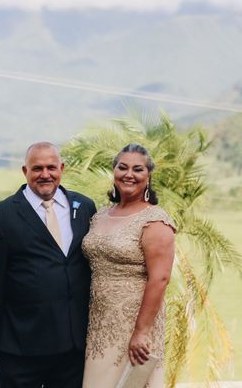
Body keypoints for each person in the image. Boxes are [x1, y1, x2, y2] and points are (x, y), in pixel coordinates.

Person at [0, 142, 97, 388]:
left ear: (62, 168)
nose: (45, 174)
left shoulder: (85, 207)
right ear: (25, 171)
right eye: (37, 168)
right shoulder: (0, 216)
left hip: (73, 347)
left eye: (51, 167)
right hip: (21, 346)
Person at [81, 144, 176, 388]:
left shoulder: (155, 220)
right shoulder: (100, 215)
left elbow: (160, 279)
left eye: (137, 169)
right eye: (122, 167)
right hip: (99, 323)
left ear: (148, 176)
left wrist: (141, 332)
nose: (129, 174)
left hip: (135, 324)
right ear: (113, 172)